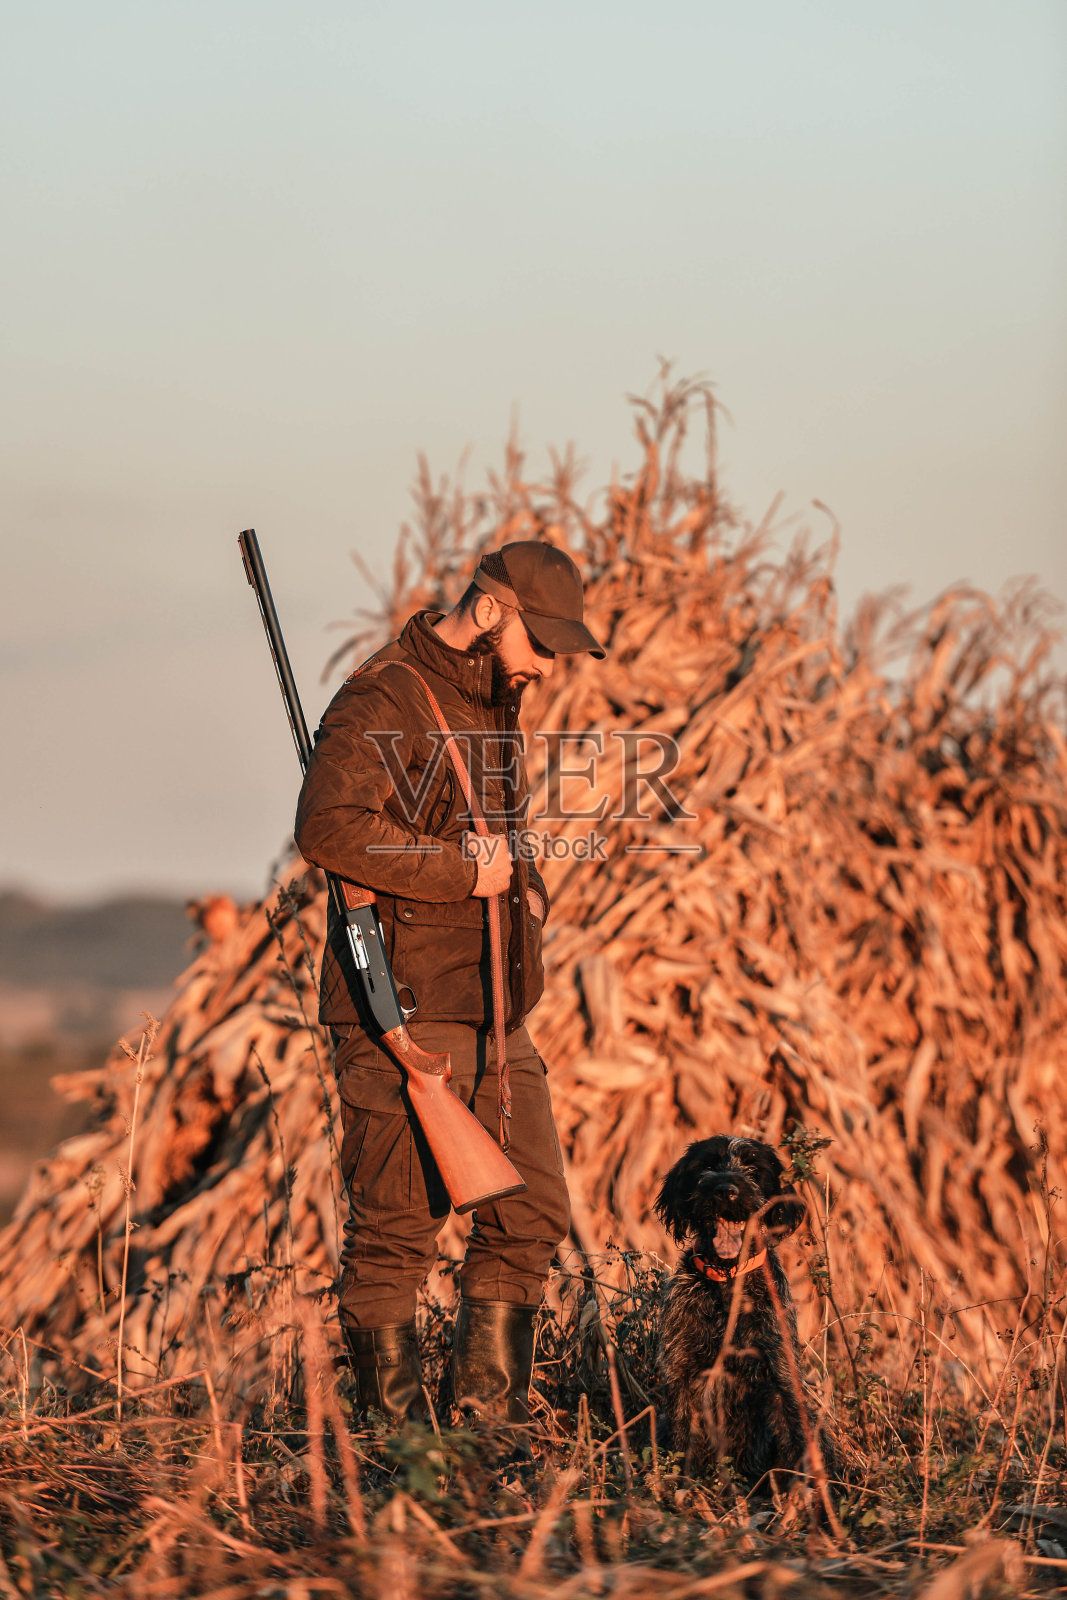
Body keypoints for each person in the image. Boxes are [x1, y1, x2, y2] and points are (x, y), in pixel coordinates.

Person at [295, 541, 605, 1424]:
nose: (549, 663)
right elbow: (329, 828)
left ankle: (486, 1437)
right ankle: (400, 1456)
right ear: (493, 611)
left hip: (496, 1013)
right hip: (404, 1008)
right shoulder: (384, 695)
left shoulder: (487, 699)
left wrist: (523, 900)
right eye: (541, 641)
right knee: (394, 1237)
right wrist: (457, 876)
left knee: (529, 1217)